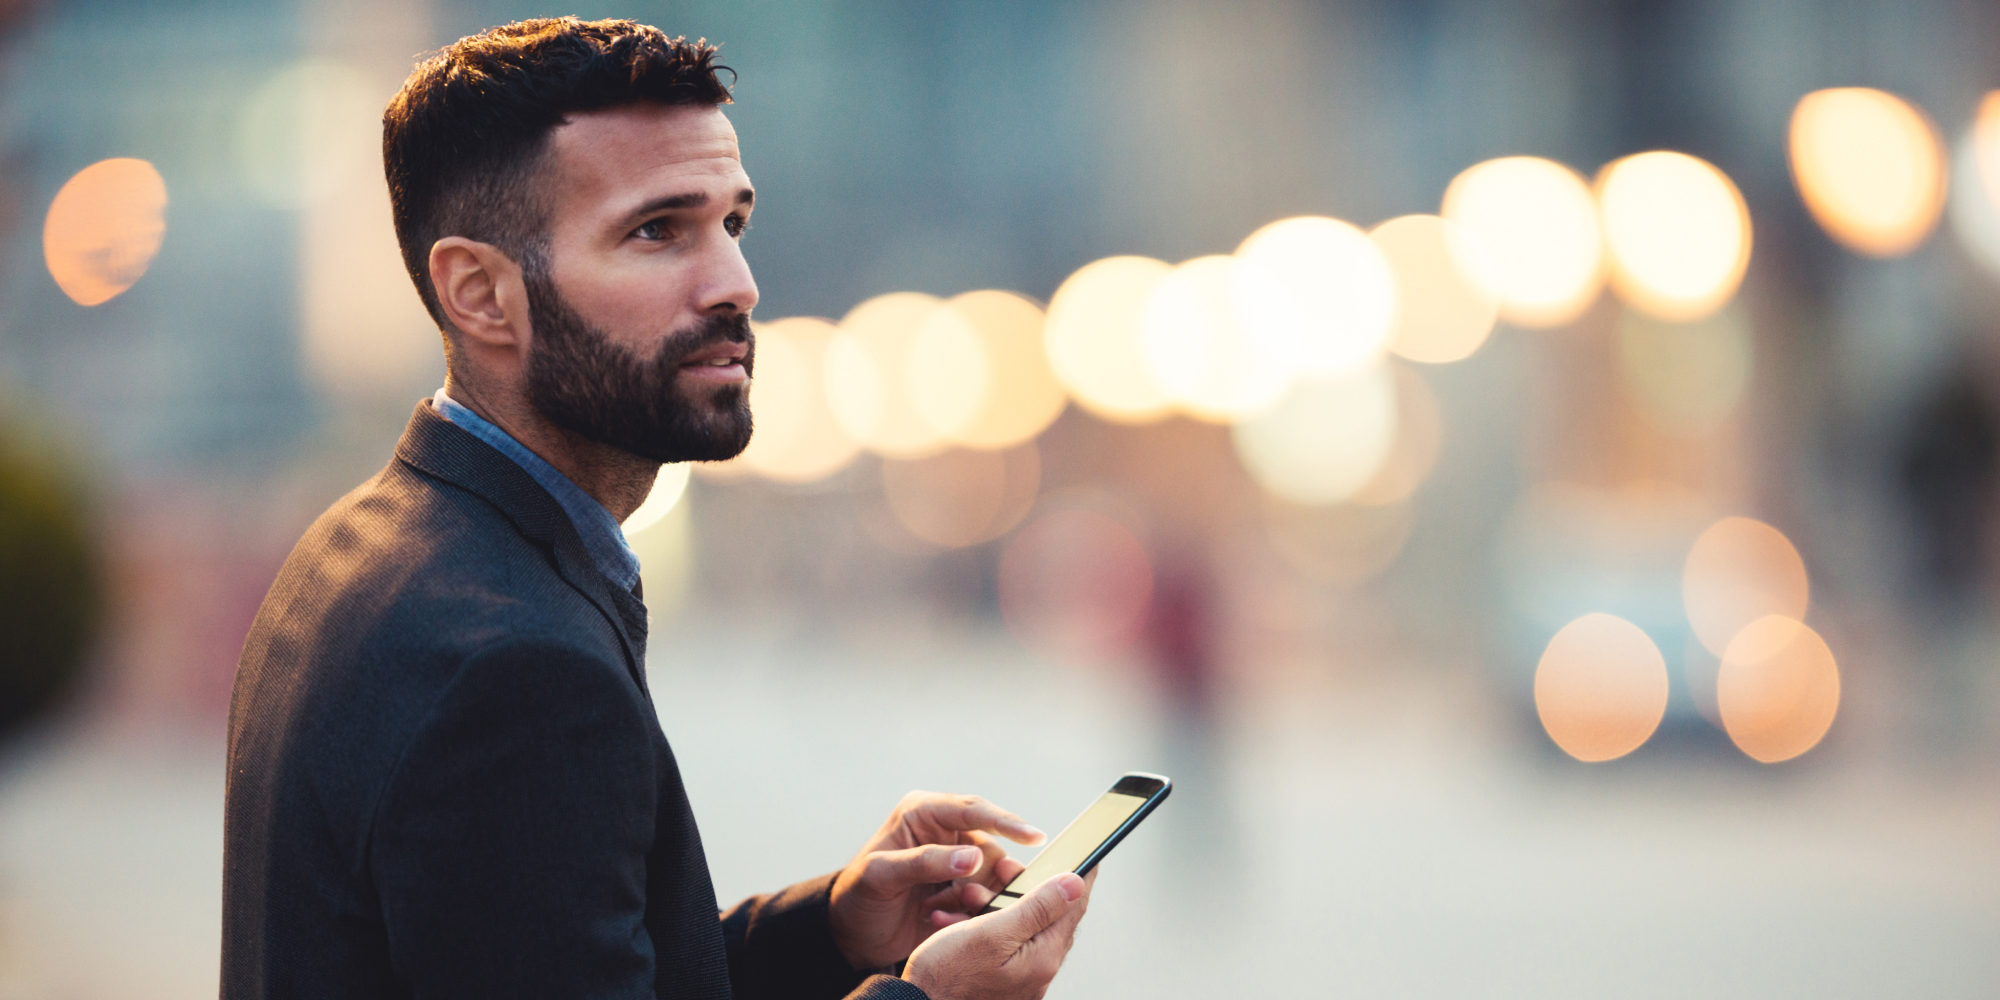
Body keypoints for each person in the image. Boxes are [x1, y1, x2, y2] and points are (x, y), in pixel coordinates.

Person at [222, 18, 1094, 1000]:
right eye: (656, 230)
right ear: (480, 293)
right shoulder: (513, 667)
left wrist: (833, 927)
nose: (736, 284)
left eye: (732, 223)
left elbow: (554, 958)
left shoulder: (368, 543)